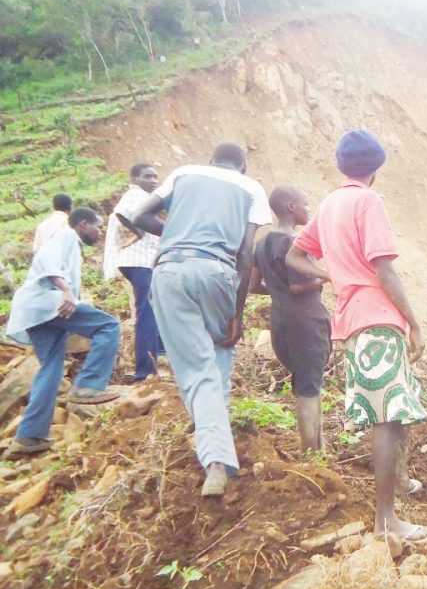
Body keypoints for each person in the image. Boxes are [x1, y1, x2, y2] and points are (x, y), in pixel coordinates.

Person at [286, 129, 427, 543]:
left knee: (394, 408)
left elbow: (294, 255)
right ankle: (385, 521)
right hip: (377, 316)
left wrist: (333, 274)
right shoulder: (369, 201)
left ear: (340, 165)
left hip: (352, 318)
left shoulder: (331, 203)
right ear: (377, 168)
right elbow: (384, 267)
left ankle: (399, 483)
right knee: (388, 417)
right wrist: (415, 323)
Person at [130, 143, 270, 497]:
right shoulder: (251, 187)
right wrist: (237, 314)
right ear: (243, 166)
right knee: (219, 357)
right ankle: (216, 449)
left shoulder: (185, 173)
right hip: (218, 273)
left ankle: (215, 454)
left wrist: (178, 232)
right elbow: (245, 251)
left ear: (211, 160)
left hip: (173, 270)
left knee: (196, 368)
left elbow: (139, 216)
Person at [5, 208, 121, 455]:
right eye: (96, 227)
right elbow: (47, 263)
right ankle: (88, 385)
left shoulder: (69, 241)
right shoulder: (66, 235)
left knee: (52, 367)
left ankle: (29, 436)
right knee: (109, 325)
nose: (98, 233)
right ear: (82, 224)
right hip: (47, 301)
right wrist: (66, 292)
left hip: (34, 311)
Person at [249, 186, 331, 453]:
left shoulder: (262, 242)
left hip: (280, 321)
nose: (309, 209)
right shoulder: (293, 242)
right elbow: (299, 286)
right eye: (305, 204)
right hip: (306, 321)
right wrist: (325, 278)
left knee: (304, 381)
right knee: (310, 386)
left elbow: (253, 285)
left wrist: (277, 289)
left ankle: (317, 446)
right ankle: (311, 453)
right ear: (291, 207)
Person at [102, 163, 163, 383]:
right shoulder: (135, 196)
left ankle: (158, 353)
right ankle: (145, 370)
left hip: (141, 261)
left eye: (155, 176)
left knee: (154, 307)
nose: (153, 180)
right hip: (140, 261)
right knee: (147, 311)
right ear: (134, 178)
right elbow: (125, 214)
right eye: (147, 176)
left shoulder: (141, 197)